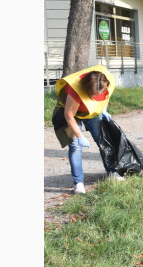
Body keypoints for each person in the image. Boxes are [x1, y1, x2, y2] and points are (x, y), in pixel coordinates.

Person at [52, 65, 124, 194]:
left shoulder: (106, 82)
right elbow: (69, 116)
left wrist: (104, 110)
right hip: (72, 113)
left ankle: (111, 172)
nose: (98, 95)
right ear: (87, 90)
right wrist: (79, 136)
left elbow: (105, 97)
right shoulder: (75, 92)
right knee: (75, 146)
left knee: (102, 140)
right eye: (94, 94)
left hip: (92, 113)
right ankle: (78, 183)